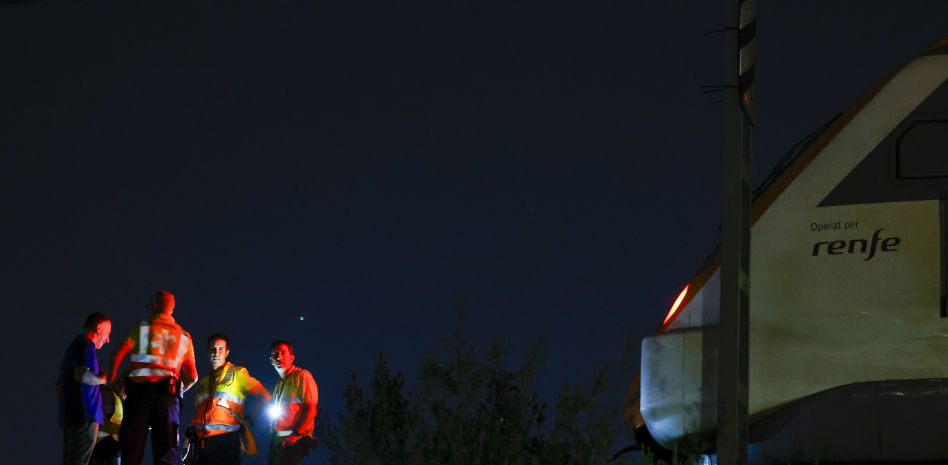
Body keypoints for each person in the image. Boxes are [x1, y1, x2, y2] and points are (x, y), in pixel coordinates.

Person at [108, 290, 198, 465]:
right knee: (166, 455)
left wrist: (112, 383)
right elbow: (192, 377)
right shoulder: (184, 337)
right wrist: (176, 392)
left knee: (132, 451)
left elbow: (115, 357)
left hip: (138, 398)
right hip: (169, 399)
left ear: (154, 306)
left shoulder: (141, 328)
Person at [191, 333, 272, 465]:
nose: (216, 353)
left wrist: (247, 418)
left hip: (226, 442)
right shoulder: (202, 382)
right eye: (213, 349)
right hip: (201, 445)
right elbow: (198, 412)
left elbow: (265, 397)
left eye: (220, 349)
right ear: (207, 351)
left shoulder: (237, 373)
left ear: (227, 352)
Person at [58, 312, 112, 465]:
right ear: (99, 327)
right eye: (107, 333)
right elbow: (81, 375)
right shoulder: (85, 346)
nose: (108, 339)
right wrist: (101, 380)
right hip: (84, 416)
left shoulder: (75, 347)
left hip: (73, 416)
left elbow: (59, 384)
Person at [267, 340, 318, 465]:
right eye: (275, 354)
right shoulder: (278, 385)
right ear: (271, 361)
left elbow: (311, 410)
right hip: (278, 444)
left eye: (283, 353)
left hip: (295, 443)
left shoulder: (302, 376)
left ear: (292, 357)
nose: (279, 357)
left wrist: (295, 436)